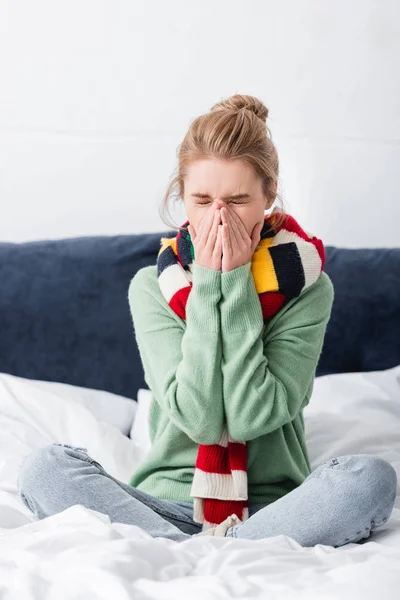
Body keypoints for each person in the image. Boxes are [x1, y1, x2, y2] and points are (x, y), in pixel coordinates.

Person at [17, 94, 397, 547]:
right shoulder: (152, 287)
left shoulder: (307, 288)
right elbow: (197, 419)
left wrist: (232, 282)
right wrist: (209, 291)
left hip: (279, 508)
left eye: (237, 200)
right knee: (46, 469)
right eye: (202, 199)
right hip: (164, 505)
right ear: (182, 196)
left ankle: (185, 554)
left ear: (268, 196)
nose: (219, 218)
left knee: (370, 479)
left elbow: (251, 416)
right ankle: (212, 551)